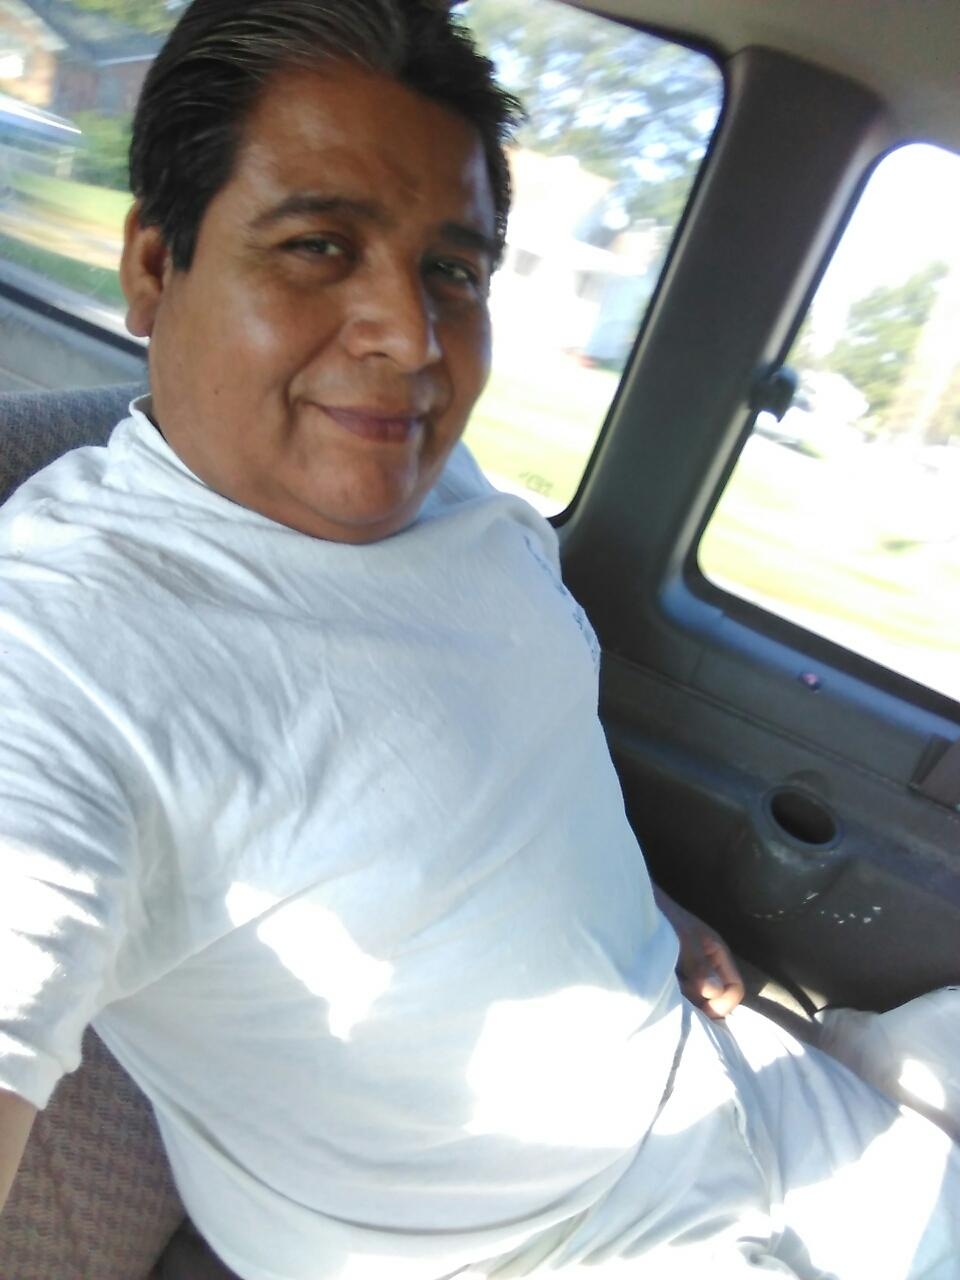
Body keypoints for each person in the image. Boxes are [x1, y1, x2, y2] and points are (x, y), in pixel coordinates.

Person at [0, 2, 956, 1277]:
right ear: (152, 266)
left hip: (726, 1086)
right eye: (319, 244)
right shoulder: (62, 649)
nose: (411, 337)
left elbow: (486, 756)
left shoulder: (438, 488)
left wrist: (645, 904)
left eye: (452, 270)